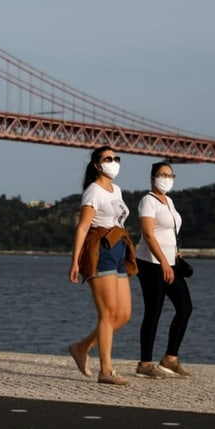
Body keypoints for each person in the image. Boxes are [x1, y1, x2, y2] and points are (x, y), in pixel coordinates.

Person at [67, 146, 135, 385]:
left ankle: (81, 347)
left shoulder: (116, 189)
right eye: (108, 159)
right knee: (107, 313)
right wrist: (75, 261)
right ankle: (106, 370)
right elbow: (83, 227)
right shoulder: (93, 191)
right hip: (101, 251)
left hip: (119, 249)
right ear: (97, 165)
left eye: (116, 158)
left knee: (124, 315)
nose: (113, 162)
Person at [134, 161, 193, 378]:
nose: (166, 178)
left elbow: (169, 232)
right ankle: (145, 363)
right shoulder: (147, 201)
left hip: (171, 262)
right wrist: (164, 263)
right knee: (154, 311)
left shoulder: (169, 201)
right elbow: (149, 235)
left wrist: (175, 256)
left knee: (185, 307)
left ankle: (170, 358)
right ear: (152, 178)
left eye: (170, 175)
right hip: (150, 263)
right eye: (161, 174)